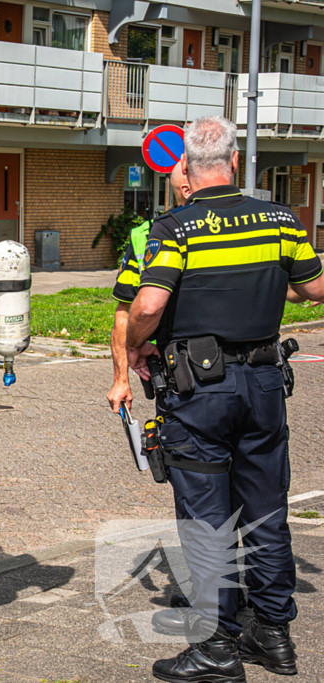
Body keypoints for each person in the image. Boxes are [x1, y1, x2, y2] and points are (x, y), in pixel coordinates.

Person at [126, 116, 324, 682]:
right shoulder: (281, 219)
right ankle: (273, 635)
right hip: (264, 384)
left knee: (207, 519)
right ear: (235, 161)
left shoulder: (176, 227)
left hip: (200, 391)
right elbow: (314, 287)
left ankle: (216, 647)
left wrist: (136, 345)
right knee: (266, 511)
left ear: (186, 168)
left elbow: (148, 304)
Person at [107, 163, 191, 412]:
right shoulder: (147, 235)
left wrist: (125, 369)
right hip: (181, 368)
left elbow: (135, 312)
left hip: (187, 369)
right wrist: (120, 379)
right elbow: (125, 311)